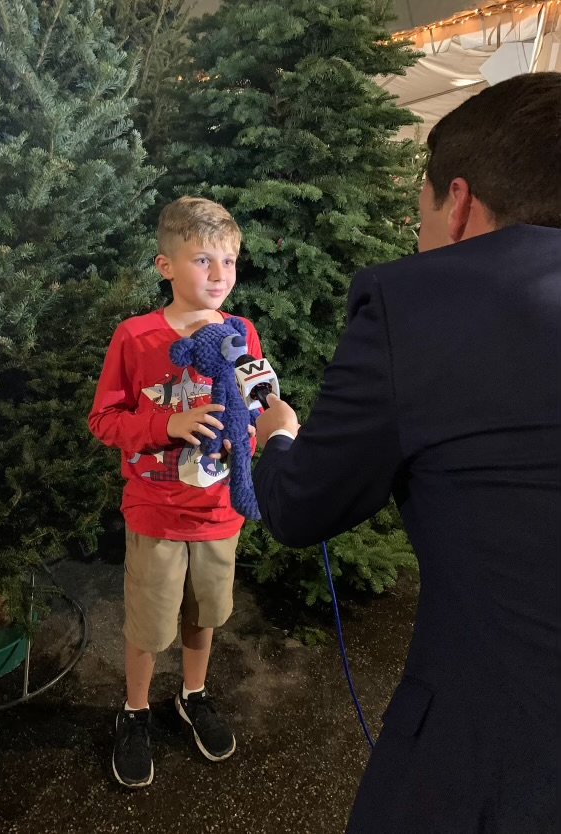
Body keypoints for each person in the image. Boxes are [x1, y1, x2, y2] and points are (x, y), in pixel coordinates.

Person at [253, 72, 561, 833]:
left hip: (497, 760)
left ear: (457, 203)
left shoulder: (419, 301)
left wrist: (277, 437)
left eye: (415, 214)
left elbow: (302, 505)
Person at [88, 196, 262, 788]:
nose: (219, 275)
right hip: (156, 513)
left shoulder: (242, 332)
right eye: (203, 260)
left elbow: (254, 406)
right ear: (166, 265)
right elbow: (104, 420)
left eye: (229, 261)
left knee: (205, 614)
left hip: (218, 513)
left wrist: (258, 436)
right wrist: (169, 424)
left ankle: (193, 694)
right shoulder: (136, 337)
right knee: (149, 625)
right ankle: (135, 710)